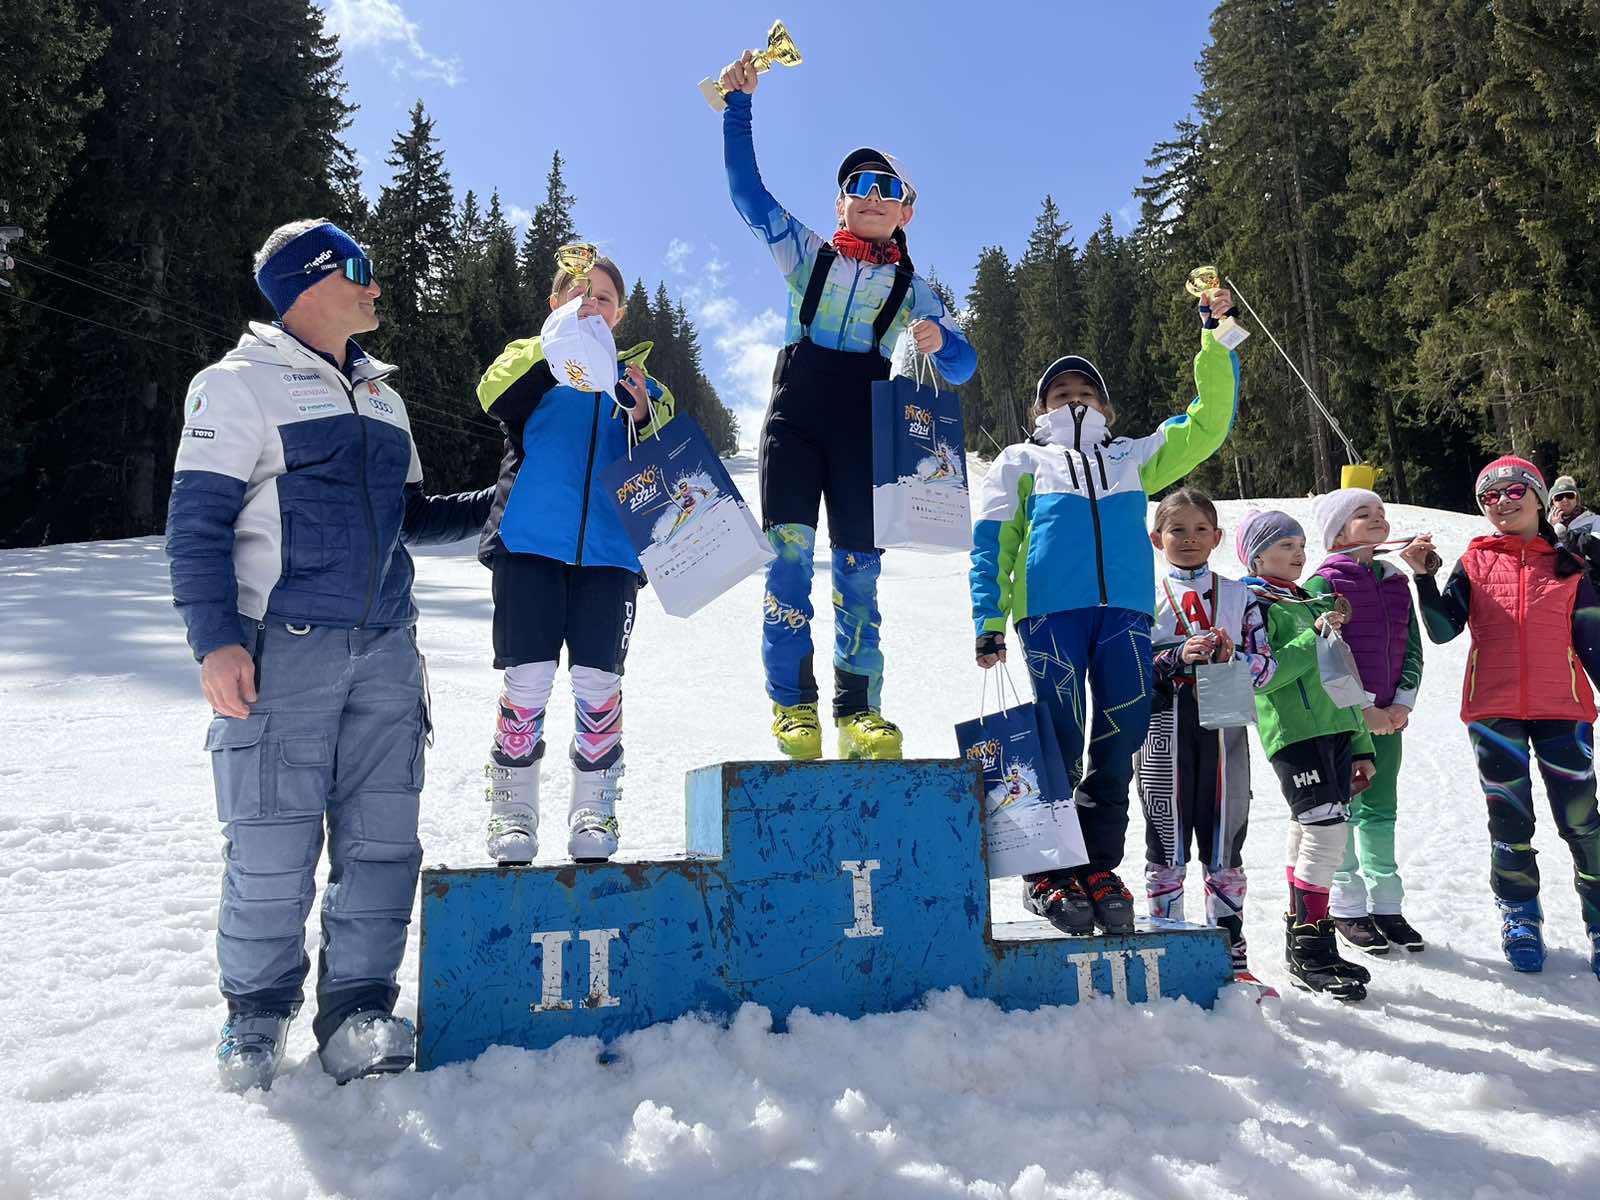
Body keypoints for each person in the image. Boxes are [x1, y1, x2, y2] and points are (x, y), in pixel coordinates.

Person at [166, 219, 492, 1090]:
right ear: (310, 279)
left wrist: (500, 502)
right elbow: (196, 523)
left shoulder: (384, 398)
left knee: (384, 844)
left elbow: (411, 517)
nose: (377, 284)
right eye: (362, 269)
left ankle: (357, 1013)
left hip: (387, 650)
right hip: (283, 651)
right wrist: (216, 642)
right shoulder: (236, 387)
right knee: (270, 844)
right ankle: (257, 1016)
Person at [718, 52, 977, 762]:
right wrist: (739, 108)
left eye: (886, 187)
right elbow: (748, 194)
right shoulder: (808, 256)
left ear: (905, 210)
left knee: (860, 574)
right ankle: (794, 706)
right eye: (856, 185)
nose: (870, 195)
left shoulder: (913, 288)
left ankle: (859, 712)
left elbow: (963, 363)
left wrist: (939, 337)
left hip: (864, 433)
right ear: (840, 204)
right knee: (790, 563)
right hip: (796, 424)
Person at [969, 296, 1239, 936]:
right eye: (1058, 390)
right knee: (1056, 740)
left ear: (1107, 405)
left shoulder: (1133, 457)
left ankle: (1095, 865)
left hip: (1124, 616)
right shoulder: (1021, 461)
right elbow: (993, 542)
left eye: (1085, 388)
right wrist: (988, 616)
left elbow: (1207, 425)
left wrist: (1214, 339)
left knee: (1120, 741)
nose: (1072, 396)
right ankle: (1047, 872)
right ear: (1040, 410)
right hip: (1050, 616)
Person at [475, 255, 674, 866]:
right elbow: (492, 395)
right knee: (528, 679)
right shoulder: (532, 355)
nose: (593, 304)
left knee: (598, 685)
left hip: (611, 557)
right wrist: (551, 346)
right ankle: (512, 807)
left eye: (605, 297)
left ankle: (595, 805)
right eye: (578, 294)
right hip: (531, 543)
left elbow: (667, 450)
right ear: (557, 301)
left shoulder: (640, 381)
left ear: (620, 314)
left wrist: (641, 412)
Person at [1402, 457, 1600, 978]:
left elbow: (1594, 642)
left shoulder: (1571, 563)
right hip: (1493, 710)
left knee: (1582, 822)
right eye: (1489, 497)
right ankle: (1520, 914)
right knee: (1509, 820)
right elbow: (1444, 630)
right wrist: (1424, 579)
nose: (1502, 502)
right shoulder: (1473, 563)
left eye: (1513, 491)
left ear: (1538, 497)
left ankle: (1599, 921)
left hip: (1565, 709)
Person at [1235, 511, 1378, 1000]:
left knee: (1310, 833)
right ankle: (1311, 943)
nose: (1297, 552)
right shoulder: (1252, 601)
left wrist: (1362, 742)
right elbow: (1267, 674)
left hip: (1337, 730)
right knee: (1326, 834)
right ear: (1255, 555)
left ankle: (1307, 941)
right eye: (1283, 545)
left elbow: (1344, 675)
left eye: (1299, 543)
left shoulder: (1305, 597)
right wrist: (1312, 635)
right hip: (1294, 734)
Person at [1138, 489, 1275, 977]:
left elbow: (1268, 667)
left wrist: (1231, 657)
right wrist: (1174, 656)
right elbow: (1127, 669)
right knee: (1166, 841)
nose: (1189, 539)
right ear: (1157, 538)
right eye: (1177, 530)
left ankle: (1228, 954)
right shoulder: (1144, 594)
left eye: (1200, 530)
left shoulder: (1241, 595)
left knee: (1224, 842)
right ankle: (1169, 949)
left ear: (1217, 537)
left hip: (1224, 732)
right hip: (1163, 732)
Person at [1305, 488, 1426, 955]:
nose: (1377, 518)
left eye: (1380, 512)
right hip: (1346, 723)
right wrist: (1364, 711)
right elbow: (1327, 659)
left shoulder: (1396, 581)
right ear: (1337, 531)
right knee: (1345, 808)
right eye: (1362, 514)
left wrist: (1403, 704)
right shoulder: (1322, 585)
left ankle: (1387, 904)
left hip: (1389, 720)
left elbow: (1412, 645)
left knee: (1382, 808)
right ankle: (1347, 903)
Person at [1551, 475, 1597, 542]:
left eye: (1569, 495)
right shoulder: (1542, 525)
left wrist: (1563, 534)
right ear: (1553, 502)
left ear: (1576, 499)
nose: (1565, 500)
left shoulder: (1594, 520)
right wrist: (1553, 527)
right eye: (1559, 496)